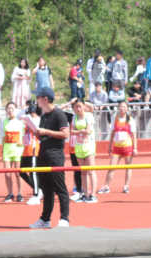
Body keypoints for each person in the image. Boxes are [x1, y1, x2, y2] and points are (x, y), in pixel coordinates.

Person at [29, 86, 70, 229]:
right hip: (43, 153)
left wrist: (46, 131)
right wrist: (37, 133)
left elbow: (65, 134)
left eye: (38, 97)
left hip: (55, 155)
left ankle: (64, 218)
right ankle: (45, 219)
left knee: (60, 187)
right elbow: (43, 136)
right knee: (46, 189)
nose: (36, 100)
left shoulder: (59, 114)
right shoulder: (44, 115)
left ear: (45, 99)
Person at [99, 101, 136, 194]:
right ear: (118, 108)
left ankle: (126, 186)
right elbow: (112, 133)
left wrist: (135, 148)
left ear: (127, 109)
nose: (122, 108)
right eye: (121, 107)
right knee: (112, 167)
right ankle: (106, 186)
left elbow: (134, 135)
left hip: (127, 147)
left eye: (124, 107)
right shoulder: (115, 118)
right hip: (117, 147)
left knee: (128, 167)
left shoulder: (130, 119)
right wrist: (109, 146)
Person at [70, 100, 97, 203]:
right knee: (83, 172)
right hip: (79, 146)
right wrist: (81, 131)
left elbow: (88, 131)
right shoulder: (74, 117)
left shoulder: (88, 116)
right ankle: (85, 194)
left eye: (80, 106)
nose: (78, 109)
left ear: (84, 107)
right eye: (76, 107)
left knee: (91, 171)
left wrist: (79, 131)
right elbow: (72, 131)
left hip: (89, 145)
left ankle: (93, 194)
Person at [1, 101, 25, 202]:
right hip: (7, 150)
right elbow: (2, 137)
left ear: (15, 110)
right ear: (6, 110)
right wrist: (2, 150)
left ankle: (20, 193)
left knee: (18, 173)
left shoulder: (20, 122)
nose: (10, 110)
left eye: (12, 108)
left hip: (17, 150)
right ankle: (10, 193)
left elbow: (23, 136)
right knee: (7, 173)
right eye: (8, 108)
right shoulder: (4, 122)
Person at [19, 100, 42, 205]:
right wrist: (25, 109)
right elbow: (18, 116)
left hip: (34, 148)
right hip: (26, 148)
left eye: (33, 106)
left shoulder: (39, 119)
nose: (31, 109)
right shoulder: (25, 118)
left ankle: (36, 194)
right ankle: (38, 188)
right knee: (21, 171)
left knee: (33, 171)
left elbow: (38, 130)